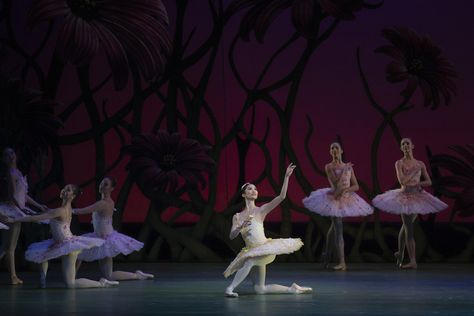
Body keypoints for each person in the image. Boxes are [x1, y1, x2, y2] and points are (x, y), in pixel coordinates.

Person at [224, 163, 312, 297]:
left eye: (255, 189)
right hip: (251, 250)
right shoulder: (237, 216)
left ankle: (230, 288)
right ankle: (292, 289)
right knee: (260, 289)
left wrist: (286, 177)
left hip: (265, 249)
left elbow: (281, 197)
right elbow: (232, 235)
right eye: (249, 189)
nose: (254, 191)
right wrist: (241, 227)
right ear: (243, 195)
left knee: (249, 261)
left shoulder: (261, 210)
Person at [8, 184, 118, 288]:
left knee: (70, 284)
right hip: (59, 242)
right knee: (43, 253)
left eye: (68, 190)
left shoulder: (60, 210)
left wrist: (14, 219)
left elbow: (36, 218)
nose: (65, 190)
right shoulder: (64, 209)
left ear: (73, 196)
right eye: (65, 188)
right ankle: (42, 281)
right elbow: (46, 214)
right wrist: (38, 211)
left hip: (68, 246)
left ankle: (101, 283)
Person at [372, 138, 447, 269]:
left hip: (417, 198)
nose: (405, 146)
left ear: (412, 146)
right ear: (401, 148)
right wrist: (413, 172)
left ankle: (400, 254)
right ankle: (412, 260)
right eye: (403, 144)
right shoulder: (399, 163)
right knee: (409, 229)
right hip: (405, 197)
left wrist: (418, 183)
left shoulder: (420, 163)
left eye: (407, 143)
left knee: (406, 226)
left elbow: (429, 181)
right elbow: (402, 181)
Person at [303, 142, 373, 271]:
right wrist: (345, 172)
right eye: (332, 148)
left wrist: (348, 190)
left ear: (341, 151)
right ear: (330, 152)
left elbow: (356, 185)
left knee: (334, 227)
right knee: (338, 228)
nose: (334, 150)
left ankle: (327, 255)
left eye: (336, 148)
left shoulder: (348, 167)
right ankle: (342, 262)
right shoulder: (329, 166)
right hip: (334, 198)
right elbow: (336, 184)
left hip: (345, 198)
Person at [74, 177, 153, 280]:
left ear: (112, 188)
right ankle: (137, 275)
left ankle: (137, 275)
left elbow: (81, 211)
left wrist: (63, 210)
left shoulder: (103, 203)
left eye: (106, 184)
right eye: (102, 183)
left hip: (105, 240)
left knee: (78, 251)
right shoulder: (108, 202)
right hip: (100, 237)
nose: (102, 185)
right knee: (78, 251)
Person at [0, 147, 48, 284]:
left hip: (18, 208)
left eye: (12, 152)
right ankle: (13, 277)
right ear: (4, 159)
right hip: (13, 210)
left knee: (4, 246)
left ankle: (13, 276)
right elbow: (12, 195)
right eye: (7, 154)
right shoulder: (11, 173)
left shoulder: (18, 172)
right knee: (10, 247)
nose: (10, 155)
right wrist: (21, 210)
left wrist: (38, 206)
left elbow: (24, 195)